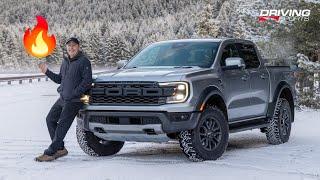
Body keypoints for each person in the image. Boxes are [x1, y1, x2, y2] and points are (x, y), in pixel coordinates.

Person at [35, 37, 93, 162]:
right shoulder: (65, 61)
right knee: (50, 119)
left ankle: (50, 152)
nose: (71, 48)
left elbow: (87, 82)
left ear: (78, 47)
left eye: (74, 45)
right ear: (66, 47)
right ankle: (60, 148)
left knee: (62, 126)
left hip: (75, 100)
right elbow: (59, 79)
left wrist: (75, 93)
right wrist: (46, 71)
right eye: (69, 45)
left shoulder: (84, 61)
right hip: (63, 98)